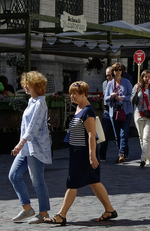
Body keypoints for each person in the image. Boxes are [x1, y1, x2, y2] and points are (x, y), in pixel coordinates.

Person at [52, 82, 117, 224]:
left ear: (83, 94)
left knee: (72, 183)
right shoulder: (78, 108)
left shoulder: (88, 111)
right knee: (94, 181)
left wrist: (91, 156)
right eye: (71, 93)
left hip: (83, 153)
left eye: (75, 93)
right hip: (76, 151)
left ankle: (61, 215)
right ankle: (109, 210)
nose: (72, 96)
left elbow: (91, 135)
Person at [9, 71, 53, 223]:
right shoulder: (32, 101)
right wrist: (22, 144)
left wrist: (20, 143)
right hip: (26, 147)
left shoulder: (40, 103)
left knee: (37, 180)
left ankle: (44, 213)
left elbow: (33, 127)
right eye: (25, 84)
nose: (25, 86)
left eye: (29, 84)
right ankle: (27, 209)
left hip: (35, 147)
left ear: (37, 85)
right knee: (14, 175)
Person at [103, 64, 133, 163]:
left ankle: (121, 154)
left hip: (126, 111)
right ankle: (123, 153)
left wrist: (123, 98)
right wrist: (111, 96)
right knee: (117, 135)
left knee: (123, 133)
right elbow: (105, 99)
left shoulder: (126, 82)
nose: (118, 71)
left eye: (120, 69)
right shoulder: (110, 84)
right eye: (116, 70)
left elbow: (132, 96)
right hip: (114, 112)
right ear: (113, 71)